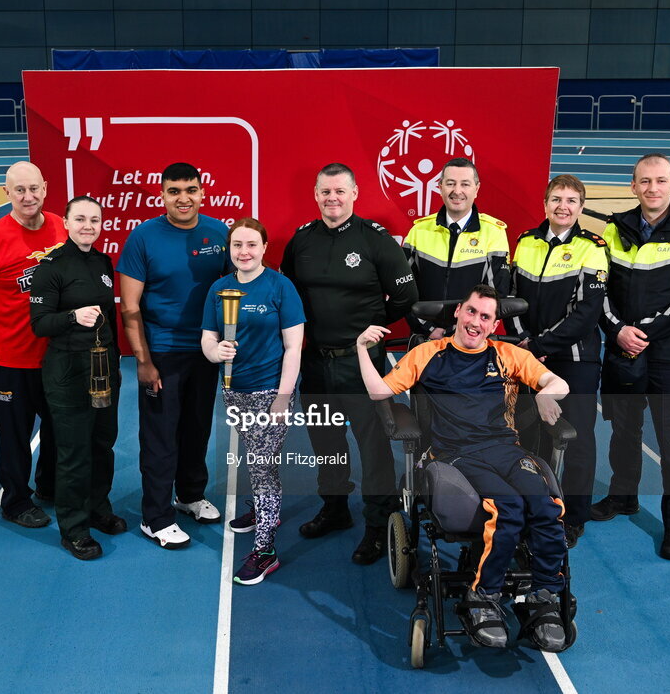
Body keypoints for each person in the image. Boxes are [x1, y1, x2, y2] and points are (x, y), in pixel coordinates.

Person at [357, 285, 571, 652]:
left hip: (505, 448)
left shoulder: (509, 354)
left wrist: (547, 392)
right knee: (508, 509)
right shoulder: (428, 353)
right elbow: (380, 392)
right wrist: (362, 348)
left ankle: (545, 596)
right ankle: (482, 597)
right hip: (457, 453)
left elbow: (557, 382)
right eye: (472, 312)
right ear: (458, 312)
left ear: (493, 325)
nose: (476, 321)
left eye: (485, 317)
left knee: (547, 506)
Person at [280, 162, 418, 565]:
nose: (332, 198)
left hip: (363, 366)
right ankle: (336, 508)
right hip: (317, 364)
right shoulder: (301, 240)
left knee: (373, 447)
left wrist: (370, 334)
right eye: (325, 191)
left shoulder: (375, 241)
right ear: (316, 194)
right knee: (326, 444)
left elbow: (406, 299)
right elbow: (288, 296)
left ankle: (378, 524)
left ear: (355, 193)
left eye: (340, 191)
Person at [591, 153, 670, 561]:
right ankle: (623, 496)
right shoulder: (614, 230)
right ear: (633, 186)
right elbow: (599, 290)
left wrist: (644, 333)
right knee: (623, 433)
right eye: (644, 181)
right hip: (623, 351)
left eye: (660, 181)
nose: (653, 188)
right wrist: (617, 331)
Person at [118, 163, 229, 549]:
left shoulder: (219, 232)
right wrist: (143, 361)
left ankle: (189, 496)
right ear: (162, 195)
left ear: (202, 192)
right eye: (174, 191)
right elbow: (129, 306)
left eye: (191, 190)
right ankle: (156, 516)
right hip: (162, 352)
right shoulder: (143, 238)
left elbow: (236, 288)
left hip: (205, 351)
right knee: (161, 436)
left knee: (197, 428)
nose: (183, 198)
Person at [507, 175, 609, 549]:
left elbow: (586, 314)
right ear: (545, 203)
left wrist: (541, 344)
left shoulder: (593, 248)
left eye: (571, 201)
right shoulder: (526, 242)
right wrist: (526, 344)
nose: (563, 206)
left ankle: (574, 518)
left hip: (575, 360)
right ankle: (533, 506)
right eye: (556, 199)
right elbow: (512, 299)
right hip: (530, 355)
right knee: (527, 434)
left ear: (581, 207)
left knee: (576, 438)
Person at [201, 217, 305, 584]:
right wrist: (216, 352)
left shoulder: (280, 286)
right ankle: (268, 512)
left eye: (251, 245)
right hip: (233, 390)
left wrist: (283, 397)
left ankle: (266, 551)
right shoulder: (219, 288)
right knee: (257, 458)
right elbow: (208, 338)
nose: (243, 252)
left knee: (261, 467)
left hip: (268, 392)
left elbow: (293, 348)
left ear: (264, 249)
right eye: (237, 245)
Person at [0, 161, 64, 530]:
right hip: (12, 356)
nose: (28, 197)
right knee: (15, 436)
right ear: (6, 193)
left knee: (58, 427)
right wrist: (3, 320)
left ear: (45, 188)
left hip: (56, 355)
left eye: (34, 188)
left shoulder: (60, 227)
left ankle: (50, 486)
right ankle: (16, 501)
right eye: (19, 190)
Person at [30, 196, 125, 561]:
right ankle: (74, 529)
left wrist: (115, 364)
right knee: (74, 453)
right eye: (81, 219)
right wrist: (72, 316)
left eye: (95, 220)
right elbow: (39, 324)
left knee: (103, 444)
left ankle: (98, 508)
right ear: (66, 223)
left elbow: (111, 324)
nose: (88, 225)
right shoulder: (50, 267)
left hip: (103, 369)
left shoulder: (102, 261)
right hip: (68, 372)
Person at [402, 157, 510, 338]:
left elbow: (496, 297)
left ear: (476, 188)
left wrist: (459, 330)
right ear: (440, 186)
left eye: (465, 184)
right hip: (423, 339)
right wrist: (430, 330)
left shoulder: (494, 233)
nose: (457, 191)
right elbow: (403, 291)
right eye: (450, 183)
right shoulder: (418, 231)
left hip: (472, 339)